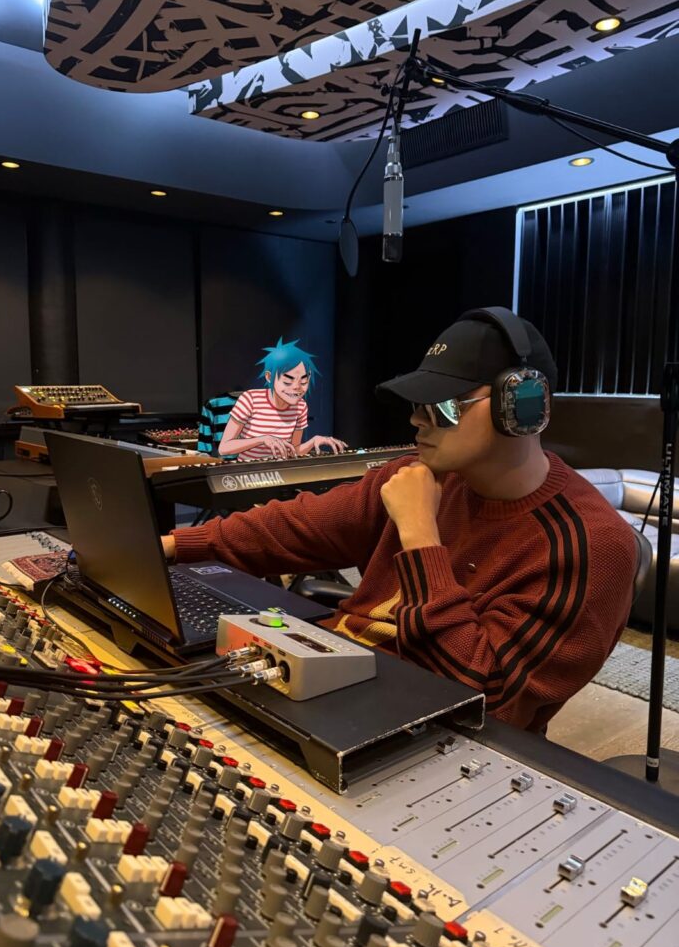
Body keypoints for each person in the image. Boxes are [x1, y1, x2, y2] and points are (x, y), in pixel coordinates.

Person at [163, 308, 637, 732]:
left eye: (443, 408)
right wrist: (173, 546)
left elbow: (486, 698)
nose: (417, 421)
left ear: (522, 408)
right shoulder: (416, 474)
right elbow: (296, 526)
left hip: (436, 732)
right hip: (344, 682)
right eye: (417, 405)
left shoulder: (592, 547)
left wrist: (420, 536)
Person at [217, 337, 346, 460]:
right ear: (269, 377)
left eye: (303, 381)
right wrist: (262, 439)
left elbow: (294, 451)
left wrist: (313, 441)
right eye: (287, 381)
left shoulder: (300, 406)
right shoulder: (250, 399)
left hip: (280, 470)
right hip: (250, 471)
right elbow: (224, 448)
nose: (296, 387)